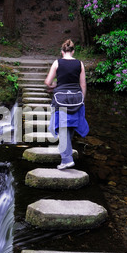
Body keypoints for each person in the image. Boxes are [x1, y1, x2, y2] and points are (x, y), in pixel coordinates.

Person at [44, 39, 89, 170]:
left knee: (62, 127)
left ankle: (66, 159)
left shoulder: (57, 62)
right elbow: (83, 85)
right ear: (73, 51)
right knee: (70, 126)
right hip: (76, 98)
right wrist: (82, 99)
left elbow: (47, 82)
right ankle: (67, 153)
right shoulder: (79, 63)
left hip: (61, 99)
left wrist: (54, 86)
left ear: (62, 52)